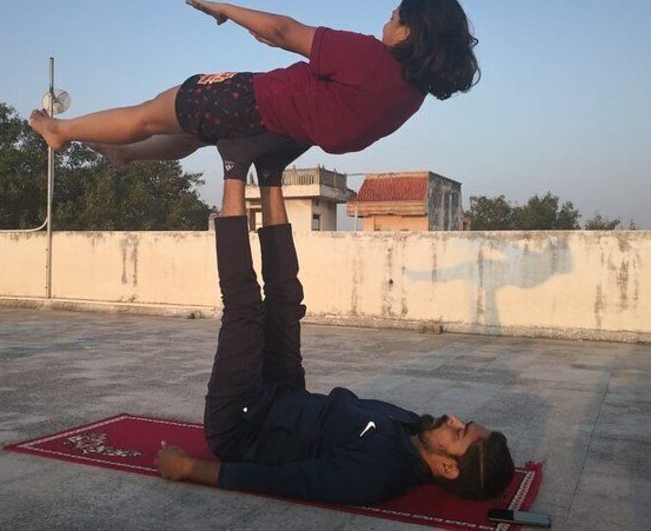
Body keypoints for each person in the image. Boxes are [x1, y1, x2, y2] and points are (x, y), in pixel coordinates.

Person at [154, 172, 515, 505]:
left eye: (459, 431)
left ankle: (233, 168)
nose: (452, 418)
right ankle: (269, 173)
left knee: (244, 307)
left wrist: (188, 469)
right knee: (287, 297)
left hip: (244, 425)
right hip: (287, 394)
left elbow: (286, 480)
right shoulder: (412, 428)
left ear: (449, 468)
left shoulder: (375, 475)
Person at [28, 0, 480, 184]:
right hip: (282, 132)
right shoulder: (410, 95)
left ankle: (61, 131)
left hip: (249, 101)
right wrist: (268, 37)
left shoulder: (370, 55)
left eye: (395, 16)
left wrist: (226, 9)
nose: (388, 20)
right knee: (190, 138)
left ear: (410, 31)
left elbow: (285, 30)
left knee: (152, 112)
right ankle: (124, 153)